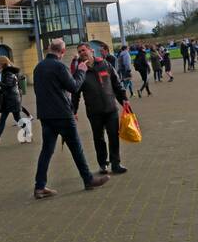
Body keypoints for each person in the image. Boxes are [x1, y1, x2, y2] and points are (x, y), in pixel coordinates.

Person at [32, 38, 110, 199]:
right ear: (62, 52)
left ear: (49, 49)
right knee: (76, 148)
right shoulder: (60, 66)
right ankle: (88, 180)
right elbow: (74, 86)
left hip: (46, 115)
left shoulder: (38, 67)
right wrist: (81, 70)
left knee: (46, 151)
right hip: (62, 114)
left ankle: (39, 187)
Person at [71, 43, 128, 175]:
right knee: (99, 138)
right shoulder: (80, 70)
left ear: (91, 50)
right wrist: (73, 111)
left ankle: (116, 163)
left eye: (83, 50)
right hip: (94, 111)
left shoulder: (105, 64)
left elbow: (116, 83)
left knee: (114, 136)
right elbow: (75, 93)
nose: (82, 53)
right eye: (79, 52)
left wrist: (124, 99)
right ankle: (103, 164)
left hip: (110, 108)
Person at [0, 56, 25, 146]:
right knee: (4, 118)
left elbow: (8, 85)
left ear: (3, 63)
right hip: (10, 99)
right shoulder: (8, 71)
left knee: (17, 118)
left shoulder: (8, 72)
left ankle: (27, 134)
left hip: (12, 99)